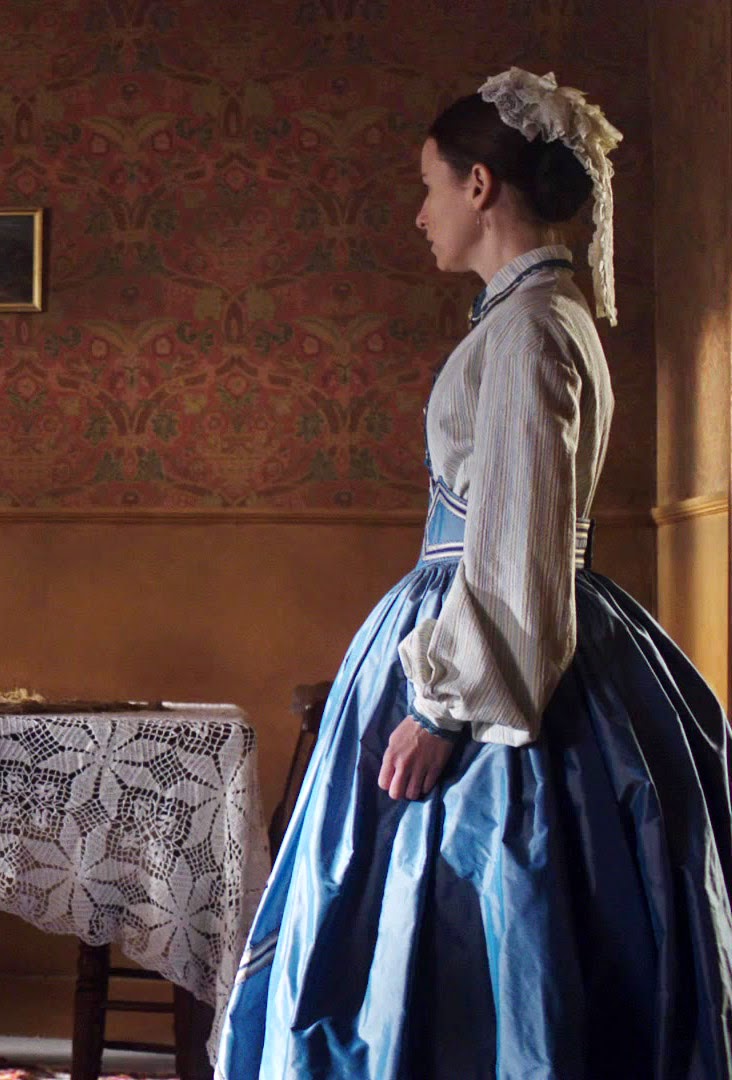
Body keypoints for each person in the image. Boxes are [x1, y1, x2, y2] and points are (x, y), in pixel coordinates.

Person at [216, 69, 732, 1079]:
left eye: (430, 186)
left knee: (487, 908)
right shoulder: (526, 317)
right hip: (493, 617)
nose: (422, 214)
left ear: (481, 186)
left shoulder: (534, 329)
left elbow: (520, 539)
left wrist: (443, 712)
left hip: (500, 649)